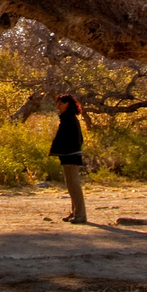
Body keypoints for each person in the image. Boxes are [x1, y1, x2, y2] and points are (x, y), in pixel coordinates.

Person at [49, 94, 88, 224]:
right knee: (70, 185)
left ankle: (81, 215)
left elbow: (76, 140)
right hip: (67, 156)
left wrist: (66, 151)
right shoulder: (67, 119)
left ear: (67, 104)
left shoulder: (70, 119)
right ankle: (75, 212)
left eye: (60, 104)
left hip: (71, 156)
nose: (58, 107)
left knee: (75, 185)